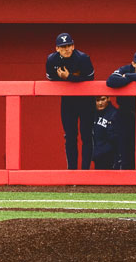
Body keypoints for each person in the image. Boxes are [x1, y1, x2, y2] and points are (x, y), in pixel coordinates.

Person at [45, 32, 96, 170]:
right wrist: (65, 79)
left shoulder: (83, 58)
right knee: (70, 136)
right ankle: (72, 171)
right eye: (62, 47)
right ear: (57, 48)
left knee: (86, 135)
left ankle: (85, 172)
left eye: (68, 46)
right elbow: (50, 79)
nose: (66, 49)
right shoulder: (52, 60)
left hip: (86, 101)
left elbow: (90, 80)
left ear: (73, 46)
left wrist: (69, 77)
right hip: (68, 102)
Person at [91, 95, 123, 170]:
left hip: (111, 159)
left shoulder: (114, 114)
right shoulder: (93, 114)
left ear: (108, 98)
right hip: (98, 158)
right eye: (97, 100)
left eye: (103, 99)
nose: (100, 103)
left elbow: (115, 140)